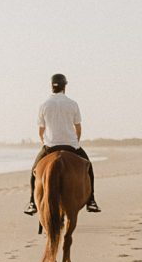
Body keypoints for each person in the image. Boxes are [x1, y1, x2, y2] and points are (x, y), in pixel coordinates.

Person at [24, 73, 101, 215]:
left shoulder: (44, 105)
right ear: (65, 86)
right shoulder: (72, 104)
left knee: (34, 171)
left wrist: (45, 143)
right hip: (71, 145)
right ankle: (91, 201)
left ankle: (32, 203)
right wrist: (74, 142)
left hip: (50, 146)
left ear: (51, 86)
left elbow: (41, 130)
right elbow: (78, 128)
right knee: (89, 168)